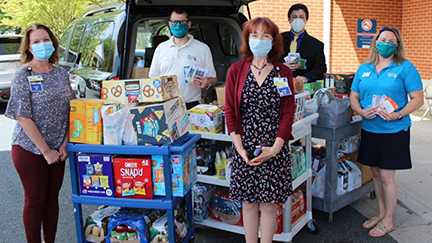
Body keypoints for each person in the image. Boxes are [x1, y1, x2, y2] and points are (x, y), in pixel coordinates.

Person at [225, 17, 296, 243]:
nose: (260, 39)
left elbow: (287, 112)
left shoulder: (283, 72)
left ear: (274, 41)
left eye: (266, 35)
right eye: (254, 35)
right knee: (247, 203)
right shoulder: (236, 71)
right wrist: (240, 150)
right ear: (247, 39)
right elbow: (230, 113)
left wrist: (275, 149)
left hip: (273, 147)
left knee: (268, 204)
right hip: (244, 148)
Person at [350, 26, 424, 237]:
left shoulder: (405, 68)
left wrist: (398, 114)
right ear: (376, 42)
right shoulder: (365, 67)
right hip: (371, 129)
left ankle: (389, 220)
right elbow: (353, 96)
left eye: (391, 40)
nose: (386, 43)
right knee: (374, 173)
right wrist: (361, 111)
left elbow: (417, 99)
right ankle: (381, 214)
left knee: (386, 177)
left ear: (397, 45)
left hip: (394, 130)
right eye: (383, 39)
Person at [5, 24, 76, 243]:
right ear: (28, 47)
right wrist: (45, 150)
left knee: (52, 199)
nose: (42, 44)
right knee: (36, 200)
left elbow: (72, 110)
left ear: (53, 43)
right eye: (36, 41)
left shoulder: (62, 73)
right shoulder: (22, 75)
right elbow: (23, 116)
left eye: (45, 40)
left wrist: (65, 143)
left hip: (58, 148)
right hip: (29, 148)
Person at [149, 7, 217, 109]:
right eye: (175, 22)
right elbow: (153, 78)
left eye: (182, 22)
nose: (178, 25)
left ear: (189, 24)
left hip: (192, 105)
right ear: (169, 24)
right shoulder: (161, 48)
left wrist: (207, 83)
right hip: (166, 105)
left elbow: (213, 79)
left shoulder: (203, 48)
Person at [279, 3, 327, 83]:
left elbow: (320, 68)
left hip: (303, 89)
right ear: (289, 19)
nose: (298, 20)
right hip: (279, 85)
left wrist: (306, 77)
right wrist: (280, 67)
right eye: (294, 17)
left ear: (306, 20)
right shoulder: (277, 39)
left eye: (301, 17)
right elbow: (268, 61)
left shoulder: (316, 45)